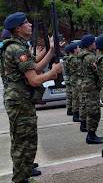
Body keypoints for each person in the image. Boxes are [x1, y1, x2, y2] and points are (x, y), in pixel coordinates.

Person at [1, 12, 63, 183]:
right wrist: (52, 73)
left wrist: (50, 51)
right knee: (23, 142)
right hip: (19, 101)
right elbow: (35, 79)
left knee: (24, 141)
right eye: (26, 23)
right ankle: (21, 179)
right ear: (18, 28)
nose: (30, 25)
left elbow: (33, 67)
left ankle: (23, 176)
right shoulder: (16, 48)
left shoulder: (16, 46)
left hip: (20, 100)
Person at [80, 34, 103, 144]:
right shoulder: (90, 57)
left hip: (87, 85)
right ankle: (91, 135)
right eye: (93, 42)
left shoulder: (81, 55)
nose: (95, 44)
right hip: (92, 87)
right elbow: (98, 71)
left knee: (90, 110)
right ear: (89, 44)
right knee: (94, 112)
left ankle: (91, 134)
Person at [67, 42, 81, 123]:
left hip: (73, 78)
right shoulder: (74, 59)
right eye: (77, 47)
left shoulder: (69, 58)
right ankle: (76, 115)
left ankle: (76, 113)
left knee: (74, 96)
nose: (79, 48)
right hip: (76, 78)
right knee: (76, 97)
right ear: (75, 49)